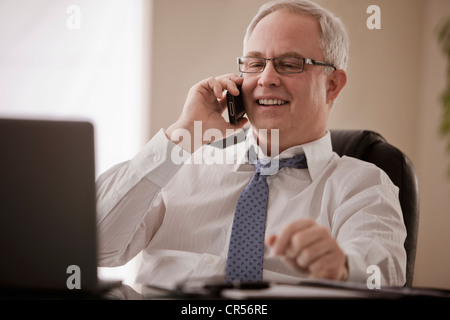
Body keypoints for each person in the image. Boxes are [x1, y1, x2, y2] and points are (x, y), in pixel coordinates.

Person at [96, 0, 407, 290]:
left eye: (290, 63)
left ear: (332, 84)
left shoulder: (363, 185)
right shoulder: (181, 164)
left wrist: (341, 268)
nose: (267, 78)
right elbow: (97, 247)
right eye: (255, 64)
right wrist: (183, 133)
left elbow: (381, 274)